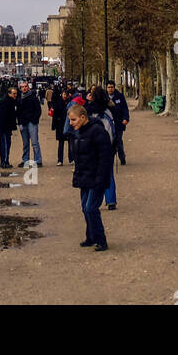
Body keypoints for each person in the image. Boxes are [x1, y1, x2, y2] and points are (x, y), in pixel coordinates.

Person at [68, 103, 112, 252]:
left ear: (82, 117)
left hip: (96, 177)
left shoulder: (98, 132)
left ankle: (101, 240)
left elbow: (105, 157)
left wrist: (101, 178)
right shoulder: (77, 132)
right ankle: (91, 236)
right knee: (85, 208)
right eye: (70, 120)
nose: (71, 123)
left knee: (90, 208)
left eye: (73, 120)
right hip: (84, 176)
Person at [86, 86, 118, 210]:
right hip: (108, 145)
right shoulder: (110, 109)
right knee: (108, 173)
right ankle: (111, 200)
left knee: (93, 174)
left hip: (93, 145)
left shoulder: (88, 110)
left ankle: (94, 200)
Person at [17, 80, 43, 166]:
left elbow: (38, 110)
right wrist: (20, 122)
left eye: (25, 86)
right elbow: (18, 112)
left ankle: (38, 160)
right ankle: (25, 160)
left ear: (28, 87)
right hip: (23, 123)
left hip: (31, 122)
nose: (24, 88)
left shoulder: (33, 97)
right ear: (20, 88)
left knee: (34, 143)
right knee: (25, 144)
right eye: (22, 87)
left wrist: (34, 120)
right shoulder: (19, 99)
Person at [106, 80, 130, 164]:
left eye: (112, 87)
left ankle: (122, 157)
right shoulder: (104, 97)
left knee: (118, 140)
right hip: (108, 124)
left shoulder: (120, 96)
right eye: (109, 87)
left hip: (119, 123)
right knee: (109, 142)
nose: (110, 89)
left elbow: (125, 108)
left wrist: (126, 119)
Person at [0, 85, 19, 168]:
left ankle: (5, 161)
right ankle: (4, 162)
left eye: (16, 94)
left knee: (7, 144)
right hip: (5, 127)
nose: (15, 95)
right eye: (14, 93)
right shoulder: (6, 102)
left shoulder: (9, 101)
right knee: (5, 144)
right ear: (9, 93)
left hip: (6, 126)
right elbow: (3, 116)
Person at [51, 87, 70, 164]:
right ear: (61, 94)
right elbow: (55, 115)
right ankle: (60, 160)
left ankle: (71, 158)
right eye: (64, 94)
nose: (65, 96)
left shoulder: (70, 103)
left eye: (66, 94)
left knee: (71, 142)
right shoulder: (58, 103)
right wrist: (54, 125)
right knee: (61, 143)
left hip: (69, 124)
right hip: (60, 125)